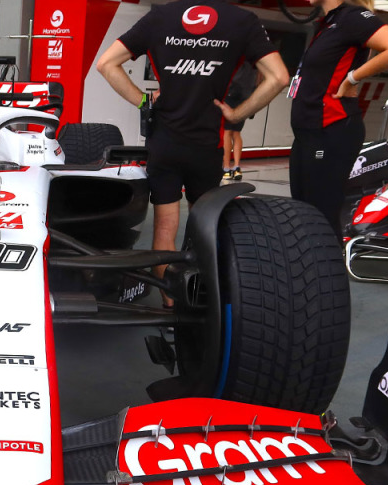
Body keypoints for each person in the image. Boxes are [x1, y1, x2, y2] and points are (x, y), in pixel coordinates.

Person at [96, 0, 290, 282]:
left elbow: (106, 64)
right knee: (204, 227)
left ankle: (168, 300)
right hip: (207, 145)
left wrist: (143, 101)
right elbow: (280, 77)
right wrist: (237, 113)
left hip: (164, 141)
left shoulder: (161, 17)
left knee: (164, 229)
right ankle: (198, 297)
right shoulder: (242, 20)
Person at [289, 0, 388, 235]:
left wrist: (353, 78)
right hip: (308, 131)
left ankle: (329, 259)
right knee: (303, 213)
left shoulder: (351, 16)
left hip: (330, 128)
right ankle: (309, 258)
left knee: (320, 215)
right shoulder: (329, 22)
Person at [222, 61, 258, 182]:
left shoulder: (235, 55)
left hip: (230, 93)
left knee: (227, 132)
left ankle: (226, 168)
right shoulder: (253, 58)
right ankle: (237, 167)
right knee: (236, 133)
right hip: (245, 96)